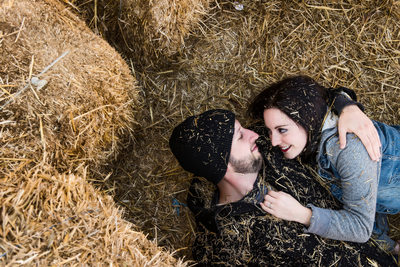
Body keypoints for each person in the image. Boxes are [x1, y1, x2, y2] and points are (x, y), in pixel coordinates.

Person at [169, 109, 397, 266]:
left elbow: (309, 100)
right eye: (240, 136)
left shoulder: (270, 144)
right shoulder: (231, 242)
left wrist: (347, 107)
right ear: (221, 165)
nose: (254, 134)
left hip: (371, 222)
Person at [248, 75, 400, 254]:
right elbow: (327, 93)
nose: (273, 141)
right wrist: (347, 105)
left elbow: (360, 228)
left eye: (282, 130)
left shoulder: (347, 148)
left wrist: (301, 214)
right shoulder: (319, 117)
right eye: (269, 130)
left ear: (307, 119)